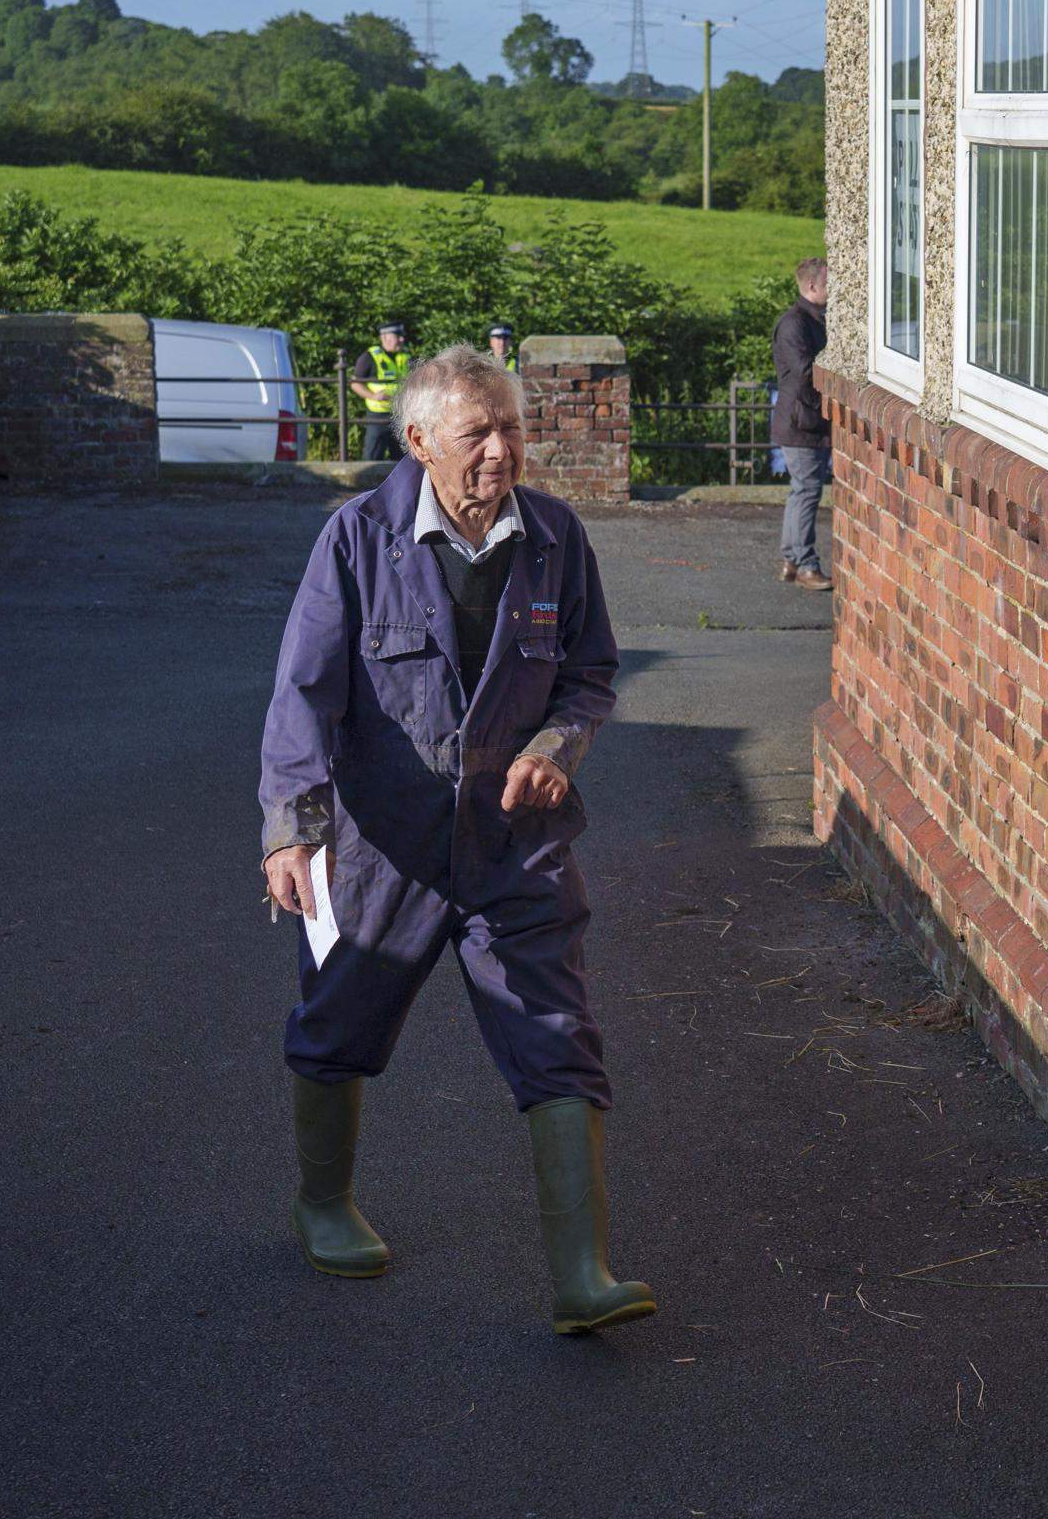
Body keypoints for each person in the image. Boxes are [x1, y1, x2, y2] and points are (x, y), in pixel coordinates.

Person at [260, 344, 654, 1335]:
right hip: (380, 845)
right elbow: (302, 695)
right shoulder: (355, 540)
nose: (501, 451)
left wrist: (559, 745)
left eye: (511, 429)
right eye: (479, 433)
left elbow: (591, 671)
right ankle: (323, 1202)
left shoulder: (556, 538)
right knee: (340, 1023)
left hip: (514, 841)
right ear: (421, 439)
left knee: (556, 1034)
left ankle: (581, 1277)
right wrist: (293, 831)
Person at [770, 257, 833, 592]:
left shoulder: (808, 320)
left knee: (801, 492)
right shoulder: (795, 324)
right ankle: (806, 565)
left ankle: (792, 561)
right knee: (807, 492)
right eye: (828, 284)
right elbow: (804, 370)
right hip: (801, 422)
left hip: (803, 420)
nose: (833, 290)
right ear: (811, 286)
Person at [349, 320, 409, 461]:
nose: (402, 339)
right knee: (373, 458)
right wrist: (373, 395)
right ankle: (369, 483)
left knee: (402, 460)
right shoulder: (369, 357)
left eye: (402, 336)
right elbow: (355, 383)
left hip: (399, 414)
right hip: (377, 416)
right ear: (385, 337)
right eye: (398, 336)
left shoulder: (405, 357)